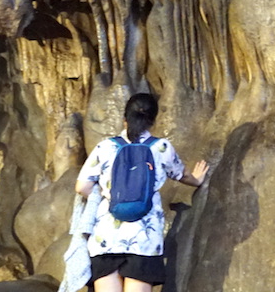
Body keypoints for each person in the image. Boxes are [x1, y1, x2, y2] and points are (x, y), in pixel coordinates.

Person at [76, 93, 209, 291]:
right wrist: (197, 179)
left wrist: (104, 194)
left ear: (125, 118)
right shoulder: (161, 147)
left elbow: (82, 187)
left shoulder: (105, 147)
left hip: (105, 238)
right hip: (144, 239)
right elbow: (182, 175)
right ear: (153, 120)